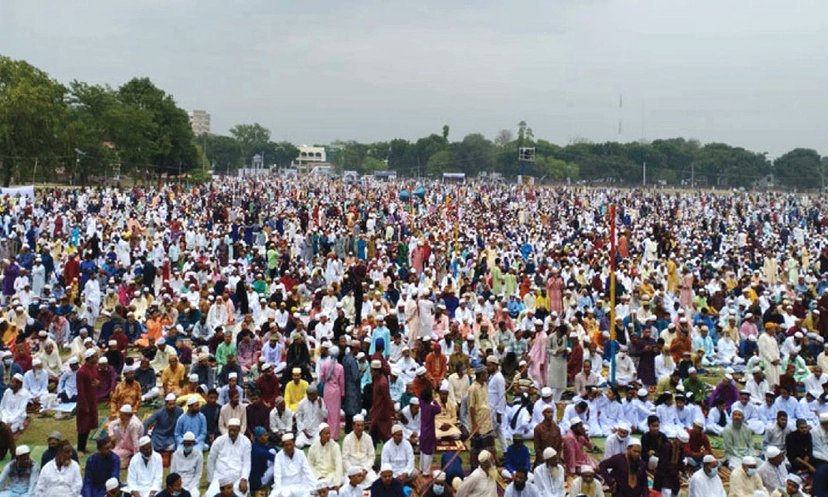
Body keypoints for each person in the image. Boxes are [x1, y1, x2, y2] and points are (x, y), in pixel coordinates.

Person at [206, 418, 250, 497]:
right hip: (220, 478)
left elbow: (247, 462)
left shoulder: (246, 442)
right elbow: (211, 459)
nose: (232, 433)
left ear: (239, 429)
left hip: (237, 478)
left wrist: (244, 479)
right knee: (209, 495)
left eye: (234, 430)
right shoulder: (219, 440)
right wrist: (210, 480)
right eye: (230, 430)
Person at [341, 414, 376, 488]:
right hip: (351, 470)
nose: (360, 428)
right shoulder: (347, 439)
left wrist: (365, 470)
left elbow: (371, 457)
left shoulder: (368, 438)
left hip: (365, 470)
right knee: (348, 485)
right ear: (353, 426)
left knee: (374, 482)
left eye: (362, 425)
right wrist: (354, 473)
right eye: (358, 425)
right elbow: (344, 459)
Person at [76, 349, 100, 454]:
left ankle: (84, 447)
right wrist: (84, 405)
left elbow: (97, 380)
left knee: (90, 424)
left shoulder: (94, 368)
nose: (97, 358)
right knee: (83, 425)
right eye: (95, 356)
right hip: (84, 401)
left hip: (93, 399)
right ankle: (80, 448)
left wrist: (97, 383)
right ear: (90, 358)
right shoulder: (81, 372)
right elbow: (80, 390)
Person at [307, 423, 343, 488]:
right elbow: (309, 464)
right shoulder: (313, 447)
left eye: (329, 433)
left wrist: (337, 483)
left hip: (331, 475)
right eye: (326, 434)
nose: (328, 435)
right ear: (320, 434)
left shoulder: (335, 446)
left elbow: (339, 465)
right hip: (318, 475)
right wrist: (318, 476)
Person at [109, 404, 144, 470]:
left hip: (133, 448)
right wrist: (112, 435)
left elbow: (135, 442)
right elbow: (111, 424)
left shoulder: (133, 424)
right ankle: (126, 458)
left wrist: (136, 458)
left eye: (121, 414)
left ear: (127, 415)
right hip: (124, 445)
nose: (119, 416)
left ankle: (129, 458)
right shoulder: (122, 419)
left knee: (114, 456)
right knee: (115, 428)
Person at [170, 432, 203, 497]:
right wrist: (176, 485)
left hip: (192, 484)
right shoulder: (176, 455)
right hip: (177, 483)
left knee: (194, 494)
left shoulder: (198, 455)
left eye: (189, 444)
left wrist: (190, 486)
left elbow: (198, 475)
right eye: (185, 444)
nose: (187, 446)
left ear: (193, 444)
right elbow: (172, 472)